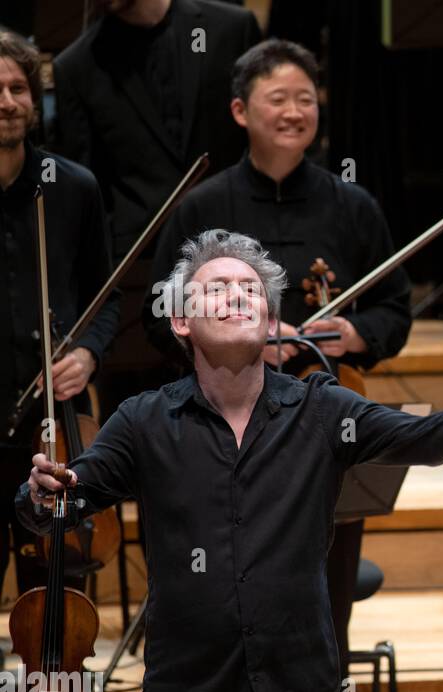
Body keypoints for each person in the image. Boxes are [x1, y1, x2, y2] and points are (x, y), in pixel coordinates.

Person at [18, 229, 443, 692]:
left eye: (250, 289)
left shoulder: (322, 409)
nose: (236, 297)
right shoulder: (143, 422)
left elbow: (429, 439)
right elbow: (58, 508)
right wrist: (42, 496)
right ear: (180, 320)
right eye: (217, 288)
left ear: (274, 319)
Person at [144, 38, 414, 692]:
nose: (295, 112)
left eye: (306, 98)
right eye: (276, 99)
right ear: (240, 112)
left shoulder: (352, 205)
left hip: (319, 430)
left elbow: (395, 310)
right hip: (221, 431)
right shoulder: (202, 208)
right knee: (214, 593)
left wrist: (347, 337)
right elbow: (165, 312)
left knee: (327, 604)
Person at [0, 29, 119, 692]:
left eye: (16, 87)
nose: (5, 100)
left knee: (57, 619)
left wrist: (88, 350)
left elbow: (108, 298)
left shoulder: (65, 187)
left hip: (52, 433)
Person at [52, 0, 261, 414]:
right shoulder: (76, 66)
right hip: (140, 283)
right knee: (146, 442)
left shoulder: (230, 28)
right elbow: (84, 197)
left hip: (237, 263)